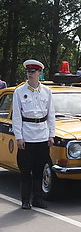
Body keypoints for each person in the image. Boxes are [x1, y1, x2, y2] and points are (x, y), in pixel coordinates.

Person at [12, 59, 55, 210]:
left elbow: (51, 114)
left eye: (33, 72)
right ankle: (25, 200)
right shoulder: (19, 91)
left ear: (39, 73)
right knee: (25, 169)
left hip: (42, 135)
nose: (30, 74)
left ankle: (38, 198)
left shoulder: (47, 92)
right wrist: (19, 137)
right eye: (28, 72)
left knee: (39, 169)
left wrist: (51, 134)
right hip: (27, 134)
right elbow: (16, 116)